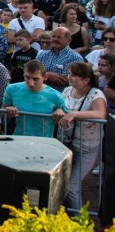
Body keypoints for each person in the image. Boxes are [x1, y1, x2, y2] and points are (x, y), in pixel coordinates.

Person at [58, 62, 106, 210]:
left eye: (73, 75)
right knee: (62, 184)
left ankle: (82, 223)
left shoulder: (95, 94)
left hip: (87, 147)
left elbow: (100, 113)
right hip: (66, 143)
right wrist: (58, 110)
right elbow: (59, 105)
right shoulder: (67, 91)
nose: (69, 77)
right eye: (69, 73)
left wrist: (75, 114)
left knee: (72, 187)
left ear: (86, 80)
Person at [3, 60, 66, 137]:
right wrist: (8, 111)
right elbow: (3, 109)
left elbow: (65, 117)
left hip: (44, 142)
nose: (31, 83)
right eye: (27, 77)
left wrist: (60, 111)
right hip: (20, 139)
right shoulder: (11, 89)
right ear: (23, 74)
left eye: (35, 79)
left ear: (45, 77)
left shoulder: (56, 95)